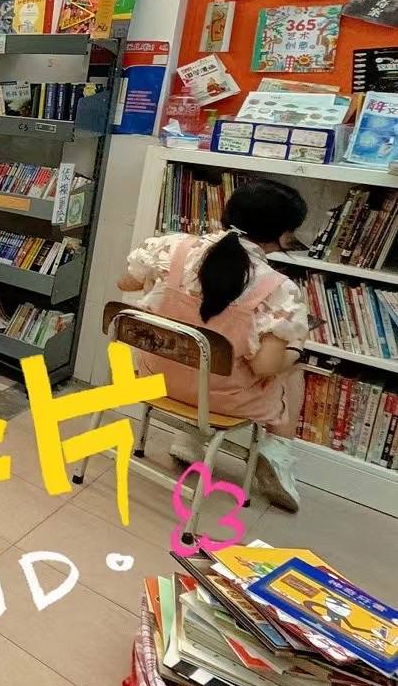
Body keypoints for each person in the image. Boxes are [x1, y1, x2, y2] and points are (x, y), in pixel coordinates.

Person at [117, 178, 309, 511]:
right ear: (282, 235)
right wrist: (295, 349)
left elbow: (125, 283)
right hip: (220, 399)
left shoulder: (171, 247)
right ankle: (277, 451)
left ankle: (189, 437)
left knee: (199, 347)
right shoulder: (279, 289)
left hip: (153, 377)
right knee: (293, 367)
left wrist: (163, 288)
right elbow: (264, 367)